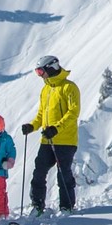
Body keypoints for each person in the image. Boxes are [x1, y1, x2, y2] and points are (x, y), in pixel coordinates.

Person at [26, 57, 80, 215]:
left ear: (50, 68)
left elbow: (73, 113)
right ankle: (37, 205)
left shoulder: (69, 88)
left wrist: (56, 129)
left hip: (66, 140)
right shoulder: (46, 90)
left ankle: (66, 206)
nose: (39, 75)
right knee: (39, 171)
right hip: (47, 140)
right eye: (37, 72)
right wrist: (32, 126)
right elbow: (41, 115)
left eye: (40, 71)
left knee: (63, 173)